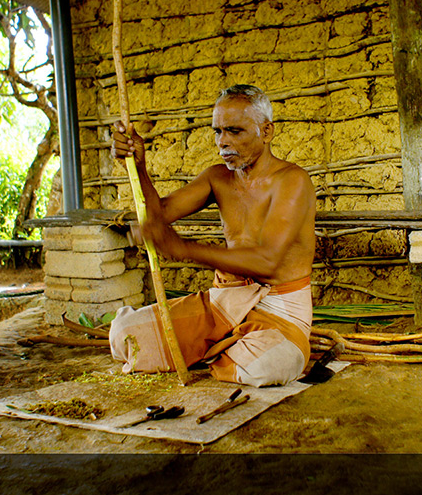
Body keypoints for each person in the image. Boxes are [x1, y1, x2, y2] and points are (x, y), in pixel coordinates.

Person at [108, 84, 317, 387]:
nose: (223, 143)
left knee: (269, 365)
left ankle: (212, 346)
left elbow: (267, 261)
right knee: (123, 336)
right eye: (218, 132)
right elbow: (159, 214)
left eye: (235, 131)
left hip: (280, 311)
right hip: (223, 302)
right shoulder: (217, 177)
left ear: (266, 131)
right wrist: (139, 164)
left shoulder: (292, 181)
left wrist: (183, 248)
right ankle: (222, 344)